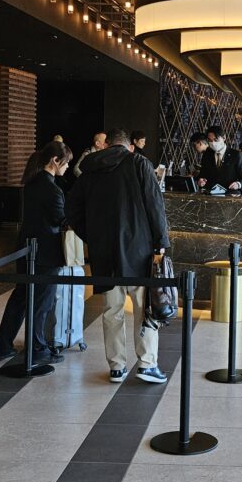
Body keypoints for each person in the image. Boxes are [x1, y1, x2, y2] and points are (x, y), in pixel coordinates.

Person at [66, 128, 170, 385]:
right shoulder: (138, 163)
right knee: (143, 308)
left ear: (107, 145)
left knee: (112, 310)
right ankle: (146, 363)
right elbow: (154, 204)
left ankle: (116, 366)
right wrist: (161, 242)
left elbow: (72, 209)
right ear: (128, 146)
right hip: (138, 250)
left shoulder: (90, 169)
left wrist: (92, 235)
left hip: (104, 252)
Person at [0, 140, 73, 362]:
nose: (67, 167)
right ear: (55, 161)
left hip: (26, 247)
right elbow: (62, 219)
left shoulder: (32, 183)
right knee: (41, 302)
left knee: (21, 296)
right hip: (46, 252)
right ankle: (37, 349)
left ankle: (3, 345)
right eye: (65, 163)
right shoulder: (52, 189)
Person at [199, 126, 242, 191]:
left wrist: (238, 184)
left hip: (230, 194)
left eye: (216, 140)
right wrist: (201, 180)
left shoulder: (235, 155)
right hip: (210, 194)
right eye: (210, 140)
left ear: (224, 138)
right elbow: (202, 174)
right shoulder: (207, 154)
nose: (213, 143)